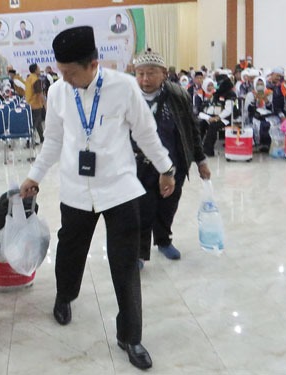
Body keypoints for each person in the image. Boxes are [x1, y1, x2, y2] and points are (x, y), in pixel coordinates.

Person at [19, 26, 175, 371]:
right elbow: (53, 142)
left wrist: (166, 168)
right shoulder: (59, 92)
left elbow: (145, 132)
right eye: (60, 71)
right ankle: (65, 296)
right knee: (70, 249)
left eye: (70, 72)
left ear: (93, 64)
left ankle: (130, 336)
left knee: (125, 263)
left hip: (119, 189)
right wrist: (35, 175)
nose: (64, 78)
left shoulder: (123, 87)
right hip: (76, 189)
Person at [133, 50, 210, 268]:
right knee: (143, 208)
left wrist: (201, 161)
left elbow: (191, 130)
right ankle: (139, 252)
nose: (145, 79)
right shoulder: (129, 96)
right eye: (140, 74)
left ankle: (164, 240)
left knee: (168, 206)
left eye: (151, 73)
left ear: (164, 74)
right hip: (140, 165)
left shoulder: (178, 95)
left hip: (174, 163)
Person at [199, 75, 237, 156]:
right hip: (215, 115)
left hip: (227, 119)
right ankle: (197, 147)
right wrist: (207, 116)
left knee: (213, 126)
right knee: (202, 123)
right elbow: (212, 105)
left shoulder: (231, 94)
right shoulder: (218, 92)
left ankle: (208, 150)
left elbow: (229, 110)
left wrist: (217, 118)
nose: (217, 85)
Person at [25, 63, 45, 145]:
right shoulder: (36, 80)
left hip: (29, 103)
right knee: (34, 123)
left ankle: (42, 138)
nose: (40, 70)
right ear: (36, 70)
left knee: (38, 122)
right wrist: (45, 103)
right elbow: (39, 93)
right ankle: (29, 141)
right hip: (35, 104)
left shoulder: (29, 78)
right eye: (39, 68)